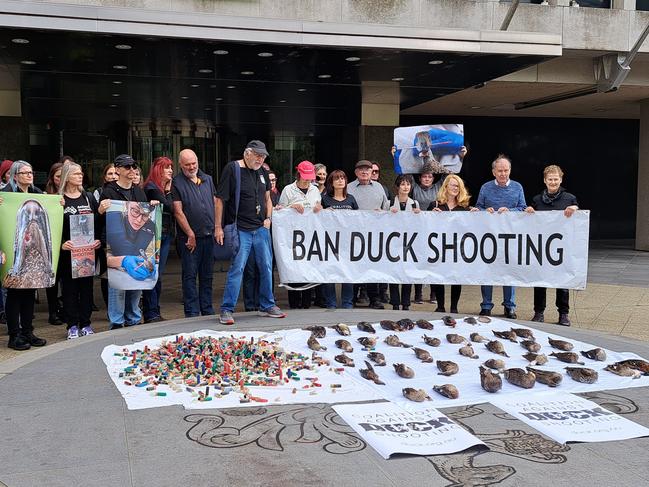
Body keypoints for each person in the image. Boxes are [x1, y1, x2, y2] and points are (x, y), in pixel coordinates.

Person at [215, 140, 285, 324]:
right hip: (241, 229)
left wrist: (268, 218)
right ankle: (227, 309)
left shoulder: (262, 171)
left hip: (260, 228)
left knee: (267, 267)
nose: (260, 159)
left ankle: (267, 304)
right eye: (257, 155)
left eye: (263, 156)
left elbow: (268, 198)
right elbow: (220, 200)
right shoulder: (233, 169)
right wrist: (218, 227)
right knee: (237, 269)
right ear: (247, 153)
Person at [99, 154, 158, 329]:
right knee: (117, 285)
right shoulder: (108, 191)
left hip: (136, 242)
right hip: (114, 242)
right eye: (127, 167)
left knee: (135, 284)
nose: (132, 170)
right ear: (117, 170)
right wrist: (101, 210)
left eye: (133, 166)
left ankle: (133, 317)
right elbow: (102, 220)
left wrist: (152, 206)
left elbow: (146, 218)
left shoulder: (138, 191)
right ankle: (116, 321)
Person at [1, 161, 48, 350]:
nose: (30, 175)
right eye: (25, 172)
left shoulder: (37, 193)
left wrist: (58, 203)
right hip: (13, 250)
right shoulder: (6, 194)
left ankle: (28, 331)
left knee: (30, 291)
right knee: (14, 293)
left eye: (31, 172)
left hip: (33, 251)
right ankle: (14, 334)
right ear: (15, 175)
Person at [525, 164, 579, 326]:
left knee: (562, 282)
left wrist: (574, 208)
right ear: (545, 180)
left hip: (561, 248)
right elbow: (529, 219)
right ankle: (539, 312)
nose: (553, 182)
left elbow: (578, 213)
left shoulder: (569, 198)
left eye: (556, 179)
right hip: (541, 248)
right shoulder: (536, 199)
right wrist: (528, 210)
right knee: (540, 281)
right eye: (550, 179)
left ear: (561, 179)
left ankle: (563, 314)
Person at [475, 154, 527, 318]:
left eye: (506, 170)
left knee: (509, 271)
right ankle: (486, 305)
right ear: (493, 172)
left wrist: (509, 211)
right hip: (489, 237)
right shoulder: (485, 187)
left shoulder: (518, 187)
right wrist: (486, 211)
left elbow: (523, 208)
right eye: (500, 171)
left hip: (510, 236)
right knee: (487, 270)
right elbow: (477, 208)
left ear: (510, 170)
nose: (503, 174)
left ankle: (510, 306)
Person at [172, 148, 218, 317]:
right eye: (187, 165)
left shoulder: (207, 179)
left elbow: (214, 203)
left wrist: (217, 227)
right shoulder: (177, 182)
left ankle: (207, 309)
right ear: (180, 165)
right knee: (190, 277)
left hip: (208, 235)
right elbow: (178, 211)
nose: (191, 167)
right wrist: (190, 234)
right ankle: (191, 312)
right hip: (189, 239)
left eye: (194, 163)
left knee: (207, 276)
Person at [58, 162, 101, 339]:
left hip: (87, 252)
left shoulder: (88, 197)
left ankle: (85, 323)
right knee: (69, 290)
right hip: (68, 253)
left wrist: (98, 240)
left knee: (86, 290)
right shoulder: (59, 199)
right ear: (67, 177)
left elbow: (97, 222)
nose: (80, 176)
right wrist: (61, 243)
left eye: (81, 173)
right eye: (76, 173)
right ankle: (72, 325)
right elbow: (53, 226)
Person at [428, 174, 478, 314]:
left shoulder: (464, 207)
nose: (455, 188)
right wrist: (430, 215)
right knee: (439, 276)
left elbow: (472, 226)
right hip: (439, 247)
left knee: (457, 276)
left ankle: (454, 307)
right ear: (446, 187)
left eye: (458, 186)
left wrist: (477, 215)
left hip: (457, 248)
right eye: (453, 185)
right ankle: (440, 306)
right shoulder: (436, 204)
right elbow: (424, 224)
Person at [278, 160, 323, 309]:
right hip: (293, 236)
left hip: (310, 235)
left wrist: (318, 207)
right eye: (305, 176)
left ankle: (306, 303)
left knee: (309, 268)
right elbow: (280, 211)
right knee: (294, 268)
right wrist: (291, 207)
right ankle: (294, 303)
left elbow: (319, 208)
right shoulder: (288, 190)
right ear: (298, 174)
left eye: (310, 177)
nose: (307, 180)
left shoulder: (315, 190)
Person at [347, 159, 389, 310]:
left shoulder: (379, 188)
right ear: (356, 172)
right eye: (361, 169)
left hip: (374, 235)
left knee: (372, 268)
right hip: (354, 235)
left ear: (372, 172)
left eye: (368, 169)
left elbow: (386, 209)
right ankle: (351, 298)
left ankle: (374, 299)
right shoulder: (348, 187)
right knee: (354, 268)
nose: (364, 172)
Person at [142, 157, 174, 323]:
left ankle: (154, 310)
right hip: (154, 236)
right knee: (153, 274)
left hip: (164, 234)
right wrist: (168, 192)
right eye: (166, 168)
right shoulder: (152, 188)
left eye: (171, 168)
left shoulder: (160, 187)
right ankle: (151, 312)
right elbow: (170, 207)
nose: (170, 171)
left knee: (157, 275)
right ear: (158, 170)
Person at [320, 170, 358, 309]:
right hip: (329, 242)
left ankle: (347, 303)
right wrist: (322, 211)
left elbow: (360, 219)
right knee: (329, 273)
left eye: (343, 178)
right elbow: (317, 219)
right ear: (331, 182)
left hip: (348, 243)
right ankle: (331, 303)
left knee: (347, 273)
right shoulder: (325, 199)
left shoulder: (351, 199)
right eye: (337, 178)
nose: (340, 181)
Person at [411, 162, 444, 305]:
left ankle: (433, 294)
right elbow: (406, 172)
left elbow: (448, 175)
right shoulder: (414, 188)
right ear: (419, 178)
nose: (426, 178)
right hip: (417, 229)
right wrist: (397, 158)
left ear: (433, 178)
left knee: (432, 261)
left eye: (429, 176)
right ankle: (418, 294)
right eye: (424, 176)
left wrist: (460, 157)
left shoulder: (438, 187)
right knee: (418, 262)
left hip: (434, 230)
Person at [388, 174, 420, 310]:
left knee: (408, 273)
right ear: (397, 187)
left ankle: (406, 303)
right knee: (394, 272)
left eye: (408, 184)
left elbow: (419, 224)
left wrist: (419, 214)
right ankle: (395, 302)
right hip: (393, 243)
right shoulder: (389, 202)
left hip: (409, 243)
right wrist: (386, 212)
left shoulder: (414, 203)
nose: (406, 187)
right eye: (403, 184)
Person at [93, 162, 118, 307]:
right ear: (104, 176)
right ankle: (109, 304)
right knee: (106, 273)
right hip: (104, 236)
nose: (113, 176)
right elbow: (97, 216)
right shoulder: (98, 192)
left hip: (120, 237)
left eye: (115, 173)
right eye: (110, 173)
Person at [44, 161, 65, 326]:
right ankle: (53, 311)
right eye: (58, 176)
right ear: (52, 178)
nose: (61, 179)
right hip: (52, 244)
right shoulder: (45, 194)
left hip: (69, 244)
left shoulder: (75, 193)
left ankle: (65, 308)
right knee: (53, 279)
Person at [371, 161, 391, 304]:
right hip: (365, 233)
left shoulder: (383, 188)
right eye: (372, 171)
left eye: (376, 171)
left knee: (384, 265)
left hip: (382, 232)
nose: (373, 174)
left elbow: (388, 207)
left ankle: (383, 292)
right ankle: (367, 294)